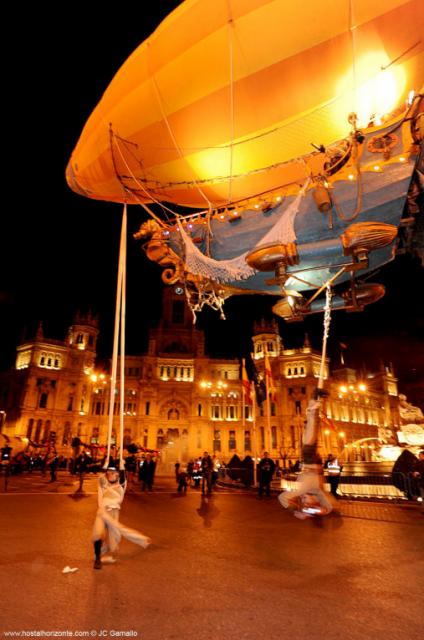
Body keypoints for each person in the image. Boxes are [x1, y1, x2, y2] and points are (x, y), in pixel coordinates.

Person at [278, 391, 333, 517]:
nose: (311, 503)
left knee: (311, 429)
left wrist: (296, 508)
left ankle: (313, 402)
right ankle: (314, 403)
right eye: (314, 503)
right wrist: (323, 510)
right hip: (312, 463)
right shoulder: (318, 492)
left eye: (308, 503)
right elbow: (329, 505)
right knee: (313, 428)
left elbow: (282, 497)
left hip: (308, 460)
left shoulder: (303, 492)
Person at [92, 463, 151, 569]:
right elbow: (101, 476)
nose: (110, 474)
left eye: (113, 472)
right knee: (97, 533)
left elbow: (123, 475)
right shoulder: (103, 483)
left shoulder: (121, 485)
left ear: (118, 474)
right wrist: (106, 464)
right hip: (102, 511)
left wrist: (122, 464)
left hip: (114, 513)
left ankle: (142, 540)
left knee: (115, 538)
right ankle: (97, 560)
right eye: (109, 472)